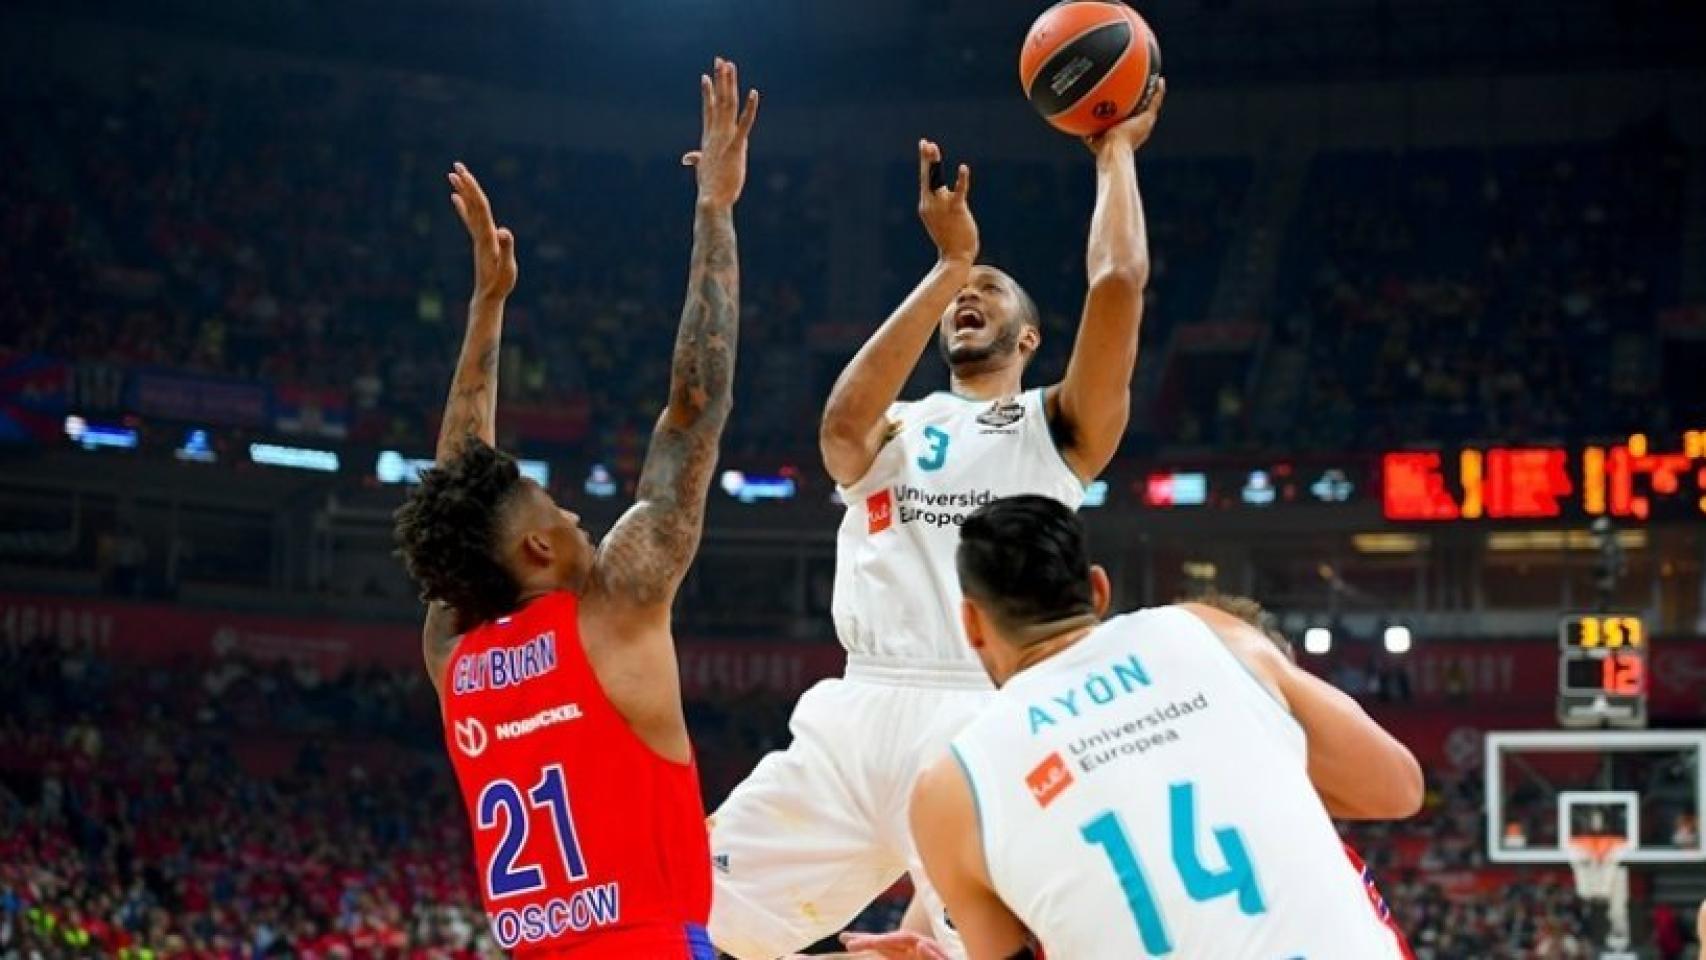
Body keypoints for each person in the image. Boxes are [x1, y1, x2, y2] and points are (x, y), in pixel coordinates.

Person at [708, 81, 1167, 960]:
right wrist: (950, 266)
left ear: (1029, 339)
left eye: (990, 290)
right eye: (965, 294)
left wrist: (1115, 155)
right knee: (699, 909)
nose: (970, 299)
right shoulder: (897, 422)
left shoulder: (1055, 425)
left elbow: (1118, 284)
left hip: (983, 712)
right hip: (855, 711)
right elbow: (838, 432)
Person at [392, 58, 758, 958]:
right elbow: (693, 412)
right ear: (537, 552)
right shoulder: (614, 610)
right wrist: (715, 211)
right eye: (558, 513)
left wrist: (488, 308)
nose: (579, 519)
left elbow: (458, 497)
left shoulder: (453, 657)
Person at [909, 496, 1421, 959]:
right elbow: (1397, 787)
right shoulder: (1206, 630)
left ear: (971, 624)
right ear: (1098, 589)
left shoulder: (949, 788)